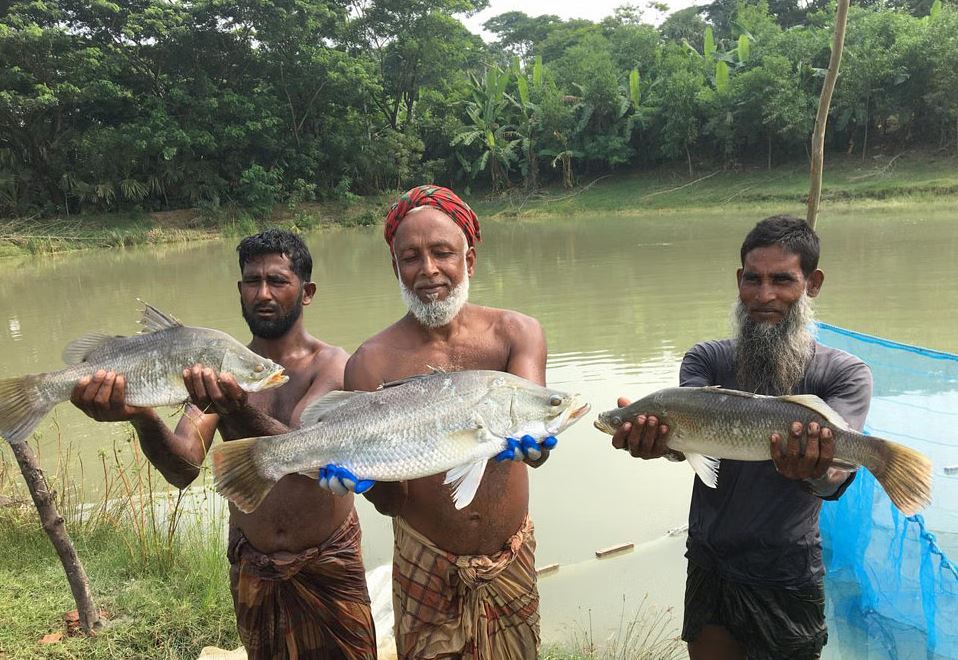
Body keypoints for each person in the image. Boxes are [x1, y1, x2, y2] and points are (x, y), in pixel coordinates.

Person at [70, 229, 377, 660]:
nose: (263, 293)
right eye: (253, 281)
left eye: (278, 281)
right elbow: (183, 467)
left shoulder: (333, 365)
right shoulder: (217, 369)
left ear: (306, 292)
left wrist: (235, 410)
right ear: (240, 290)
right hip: (254, 565)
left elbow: (312, 452)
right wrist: (142, 415)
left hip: (329, 561)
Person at [609, 215, 872, 660]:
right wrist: (661, 445)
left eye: (782, 280)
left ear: (813, 283)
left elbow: (834, 479)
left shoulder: (844, 374)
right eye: (753, 279)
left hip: (786, 567)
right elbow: (691, 434)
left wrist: (816, 473)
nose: (764, 295)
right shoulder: (706, 358)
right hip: (710, 558)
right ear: (739, 280)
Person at [321, 184, 551, 660]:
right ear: (395, 268)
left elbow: (534, 420)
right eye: (411, 257)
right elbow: (391, 502)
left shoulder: (517, 333)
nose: (428, 271)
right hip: (423, 559)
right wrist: (365, 482)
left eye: (442, 252)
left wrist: (539, 443)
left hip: (510, 558)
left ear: (469, 260)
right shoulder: (370, 362)